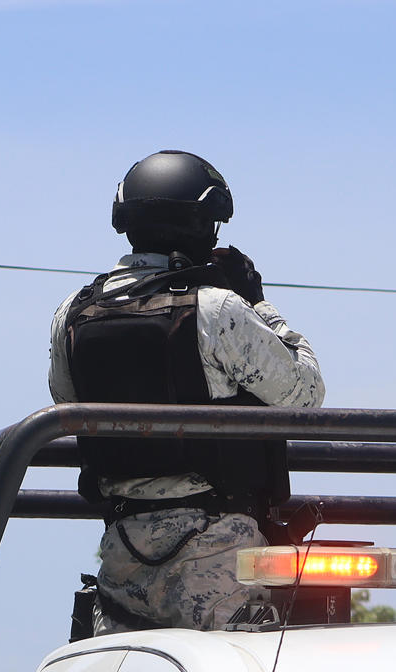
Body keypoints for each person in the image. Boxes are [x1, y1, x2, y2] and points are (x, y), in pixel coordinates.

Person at [48, 149, 325, 633]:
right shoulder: (218, 307)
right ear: (205, 226)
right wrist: (258, 303)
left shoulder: (74, 312)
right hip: (217, 555)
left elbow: (66, 403)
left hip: (122, 553)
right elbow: (304, 394)